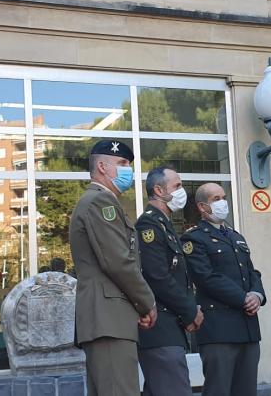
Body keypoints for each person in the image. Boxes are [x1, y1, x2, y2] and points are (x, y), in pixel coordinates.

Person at [69, 140, 157, 396]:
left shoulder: (100, 202)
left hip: (108, 318)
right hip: (108, 318)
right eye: (122, 164)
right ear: (102, 167)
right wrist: (147, 302)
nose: (127, 170)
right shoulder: (100, 203)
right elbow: (118, 261)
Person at [181, 183, 265, 396]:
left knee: (246, 391)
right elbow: (206, 277)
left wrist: (257, 295)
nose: (223, 202)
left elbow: (251, 272)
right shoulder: (194, 238)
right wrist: (243, 298)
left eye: (224, 197)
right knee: (219, 390)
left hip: (247, 329)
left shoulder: (236, 236)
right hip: (219, 330)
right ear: (202, 206)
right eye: (216, 199)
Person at [135, 166, 204, 396]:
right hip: (159, 328)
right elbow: (158, 277)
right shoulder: (149, 225)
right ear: (158, 189)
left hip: (169, 327)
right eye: (177, 186)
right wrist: (190, 310)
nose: (182, 191)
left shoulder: (165, 225)